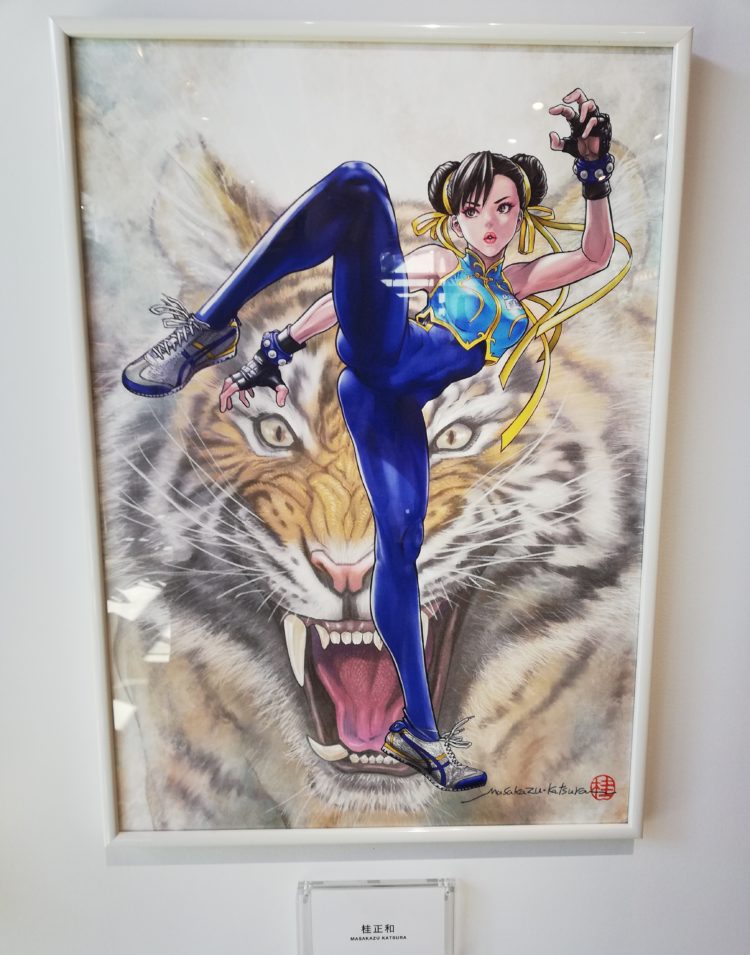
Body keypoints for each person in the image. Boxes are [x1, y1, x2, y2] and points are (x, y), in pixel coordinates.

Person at [122, 89, 623, 792]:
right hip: (385, 357)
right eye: (476, 207)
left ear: (518, 218)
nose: (490, 220)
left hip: (395, 404)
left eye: (505, 208)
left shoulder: (518, 281)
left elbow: (597, 255)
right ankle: (209, 326)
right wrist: (275, 349)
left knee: (399, 555)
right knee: (359, 188)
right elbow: (341, 301)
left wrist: (593, 175)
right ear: (457, 214)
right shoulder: (434, 265)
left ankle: (418, 730)